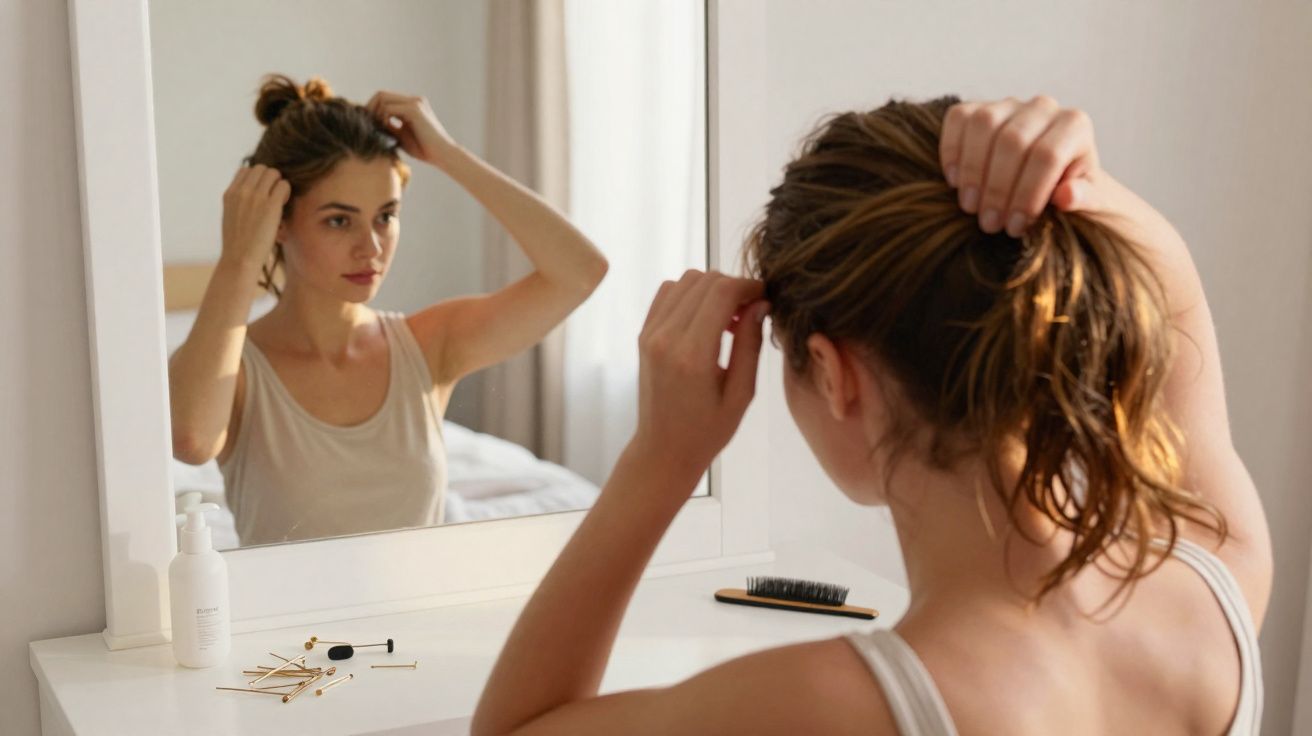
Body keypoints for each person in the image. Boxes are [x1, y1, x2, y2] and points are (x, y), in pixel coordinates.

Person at [469, 95, 1272, 734]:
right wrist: (1079, 181)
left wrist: (661, 457)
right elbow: (1174, 288)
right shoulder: (1216, 581)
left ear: (831, 370)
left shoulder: (836, 705)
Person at [168, 75, 607, 546]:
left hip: (425, 615)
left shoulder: (429, 344)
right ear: (279, 223)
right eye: (339, 220)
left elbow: (580, 272)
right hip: (301, 621)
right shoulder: (234, 369)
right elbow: (192, 440)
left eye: (386, 215)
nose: (371, 247)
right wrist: (238, 256)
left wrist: (448, 154)